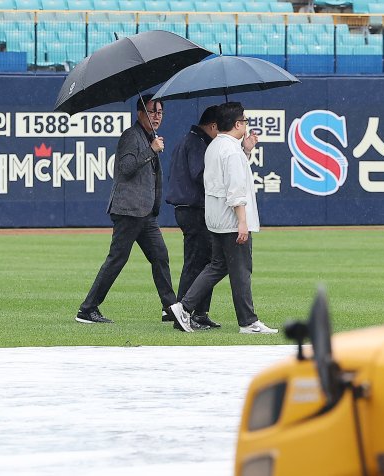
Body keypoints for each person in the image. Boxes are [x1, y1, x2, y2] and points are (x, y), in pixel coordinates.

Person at [76, 95, 191, 332]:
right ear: (140, 113)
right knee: (117, 259)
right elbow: (126, 168)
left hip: (144, 213)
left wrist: (151, 147)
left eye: (160, 112)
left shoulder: (149, 137)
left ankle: (170, 307)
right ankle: (87, 309)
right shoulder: (131, 135)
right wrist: (151, 150)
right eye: (152, 111)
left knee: (160, 255)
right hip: (128, 210)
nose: (157, 116)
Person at [167, 102, 278, 334]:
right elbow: (235, 189)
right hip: (230, 220)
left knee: (217, 266)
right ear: (237, 124)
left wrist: (246, 150)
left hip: (215, 219)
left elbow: (224, 178)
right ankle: (248, 322)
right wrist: (242, 222)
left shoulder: (215, 145)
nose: (246, 124)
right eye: (244, 121)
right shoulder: (230, 150)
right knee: (241, 271)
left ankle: (184, 307)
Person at [164, 105, 221, 331]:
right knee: (197, 263)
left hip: (189, 208)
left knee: (205, 261)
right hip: (194, 209)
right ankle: (184, 312)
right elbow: (201, 174)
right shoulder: (196, 142)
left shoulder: (190, 139)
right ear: (213, 126)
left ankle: (198, 313)